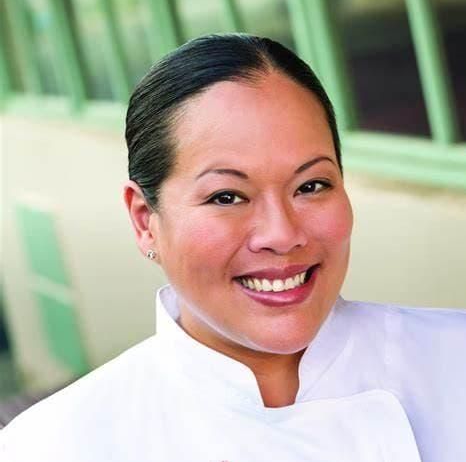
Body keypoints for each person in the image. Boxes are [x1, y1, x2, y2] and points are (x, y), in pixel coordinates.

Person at [0, 33, 465, 462]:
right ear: (145, 220)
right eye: (226, 196)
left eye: (311, 185)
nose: (281, 234)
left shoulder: (454, 358)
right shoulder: (55, 445)